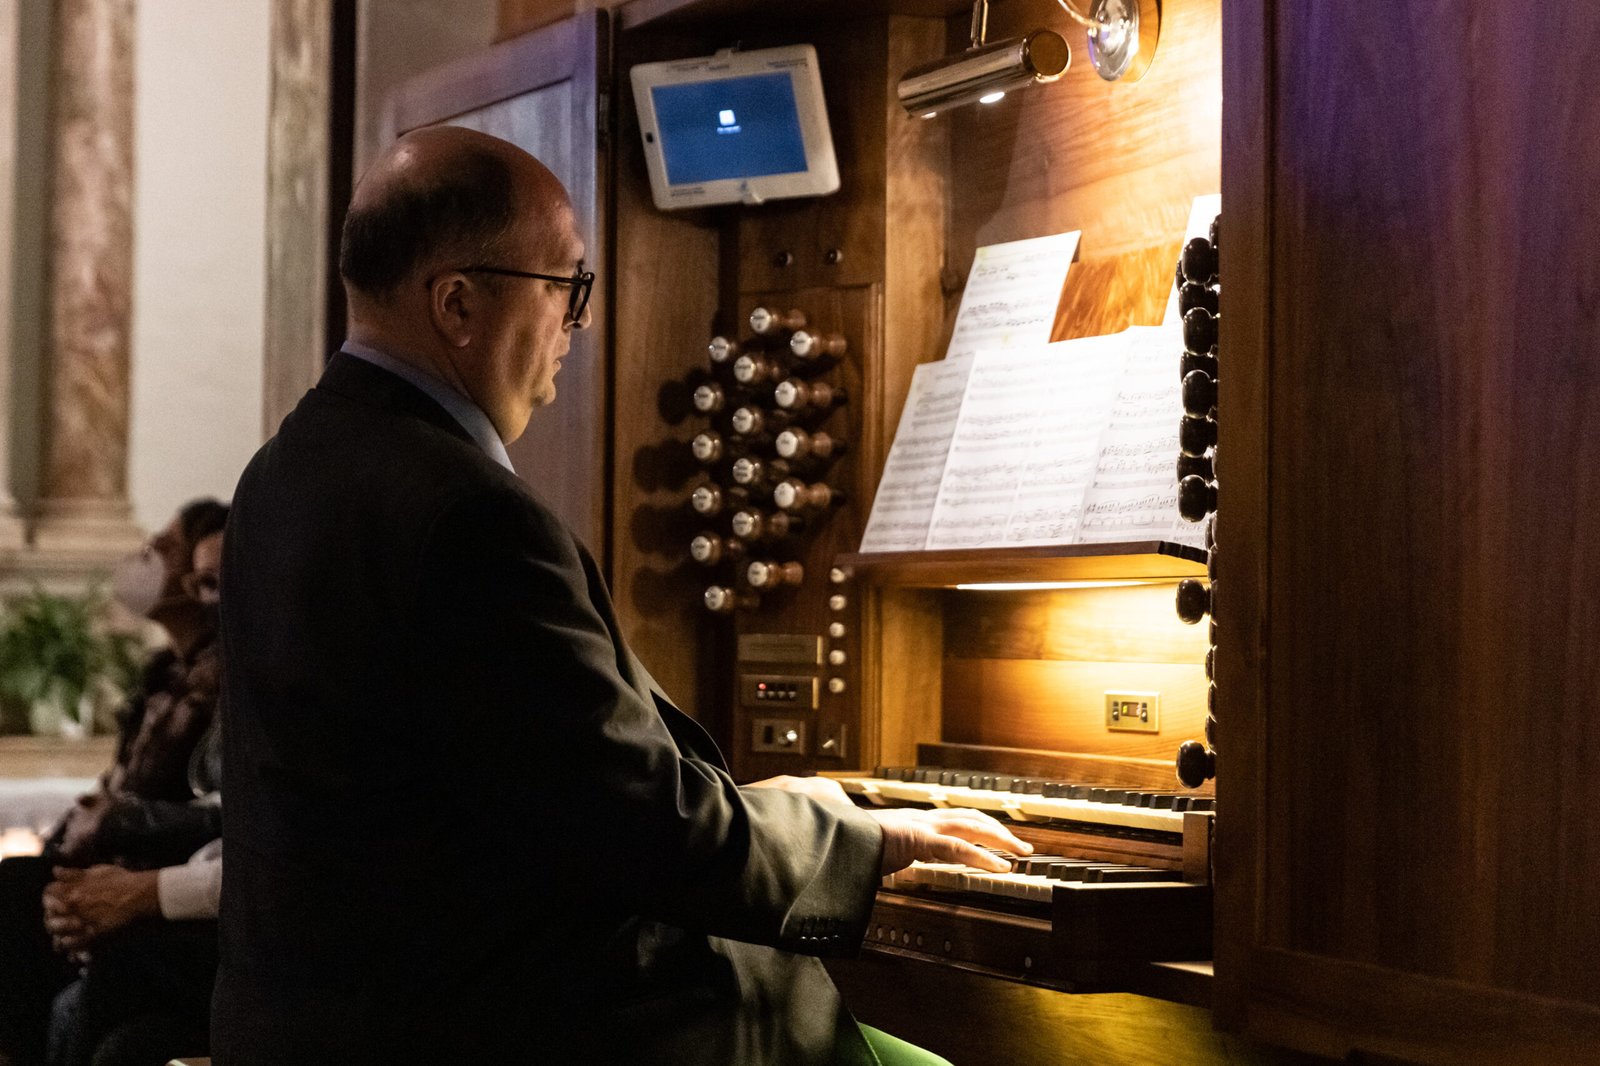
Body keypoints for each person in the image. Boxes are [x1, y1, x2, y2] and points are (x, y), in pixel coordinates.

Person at [216, 126, 1028, 1065]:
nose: (578, 324)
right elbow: (645, 832)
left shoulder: (280, 474)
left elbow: (528, 797)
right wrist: (857, 838)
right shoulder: (466, 517)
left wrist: (765, 809)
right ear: (457, 305)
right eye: (566, 287)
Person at [0, 506, 226, 1066]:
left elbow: (211, 816)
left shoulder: (227, 683)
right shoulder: (163, 674)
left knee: (96, 940)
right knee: (26, 888)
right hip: (155, 863)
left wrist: (115, 831)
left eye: (164, 548)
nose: (145, 551)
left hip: (162, 864)